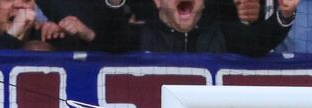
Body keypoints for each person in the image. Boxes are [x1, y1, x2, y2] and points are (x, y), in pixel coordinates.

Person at [95, 0, 297, 53]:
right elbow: (112, 39)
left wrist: (285, 14)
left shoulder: (222, 33)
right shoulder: (142, 34)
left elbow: (260, 41)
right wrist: (114, 3)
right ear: (158, 2)